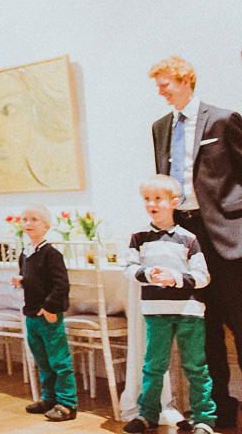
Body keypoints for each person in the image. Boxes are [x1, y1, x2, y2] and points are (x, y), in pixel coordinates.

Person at [149, 56, 242, 430]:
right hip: (185, 239)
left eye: (164, 82)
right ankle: (218, 410)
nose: (159, 90)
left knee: (238, 322)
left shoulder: (222, 119)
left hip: (227, 237)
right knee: (202, 329)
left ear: (185, 79)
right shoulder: (158, 128)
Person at [122, 174, 216, 434]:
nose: (151, 203)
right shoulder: (139, 238)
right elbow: (129, 268)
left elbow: (202, 277)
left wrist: (175, 279)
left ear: (174, 202)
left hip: (189, 312)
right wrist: (148, 274)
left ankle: (204, 419)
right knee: (153, 366)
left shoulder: (189, 239)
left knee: (196, 367)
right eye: (147, 199)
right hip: (156, 312)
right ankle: (148, 415)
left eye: (158, 198)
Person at [12, 205, 77, 422]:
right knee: (42, 359)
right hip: (31, 314)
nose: (28, 223)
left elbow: (61, 285)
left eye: (34, 220)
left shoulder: (51, 254)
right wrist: (21, 281)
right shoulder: (25, 254)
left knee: (59, 360)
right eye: (25, 219)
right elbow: (32, 279)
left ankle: (68, 402)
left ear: (46, 226)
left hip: (48, 314)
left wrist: (49, 308)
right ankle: (48, 398)